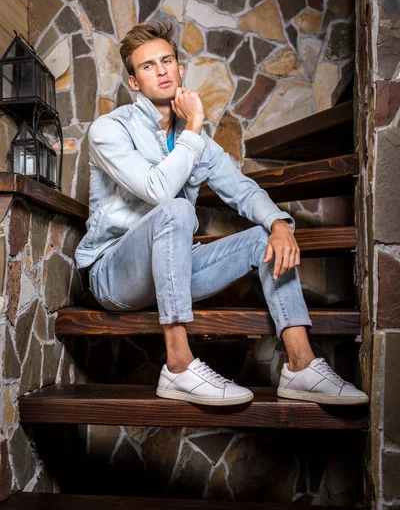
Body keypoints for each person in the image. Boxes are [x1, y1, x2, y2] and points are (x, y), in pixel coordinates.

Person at [75, 20, 368, 407]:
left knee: (265, 237)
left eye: (167, 61)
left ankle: (301, 365)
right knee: (177, 209)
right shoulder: (108, 130)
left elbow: (243, 189)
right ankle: (178, 366)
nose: (161, 70)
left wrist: (280, 223)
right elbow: (158, 191)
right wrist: (195, 125)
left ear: (180, 70)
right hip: (112, 274)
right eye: (148, 66)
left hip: (170, 271)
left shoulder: (196, 140)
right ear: (133, 82)